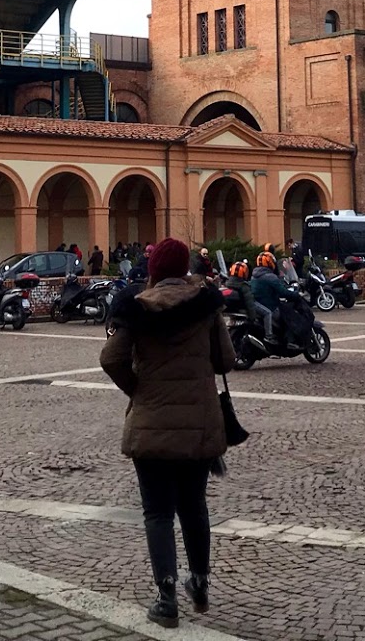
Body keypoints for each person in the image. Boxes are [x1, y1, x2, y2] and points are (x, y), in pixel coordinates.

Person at [101, 237, 234, 627]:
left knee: (158, 512)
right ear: (184, 267)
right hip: (197, 426)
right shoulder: (206, 306)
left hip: (152, 424)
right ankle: (201, 581)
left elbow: (111, 358)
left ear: (155, 269)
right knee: (194, 506)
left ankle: (167, 596)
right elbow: (226, 358)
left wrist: (138, 388)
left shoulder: (139, 309)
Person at [250, 253, 285, 342]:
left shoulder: (254, 275)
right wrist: (295, 294)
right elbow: (282, 291)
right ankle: (269, 337)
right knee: (270, 313)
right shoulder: (270, 277)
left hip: (258, 301)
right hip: (263, 303)